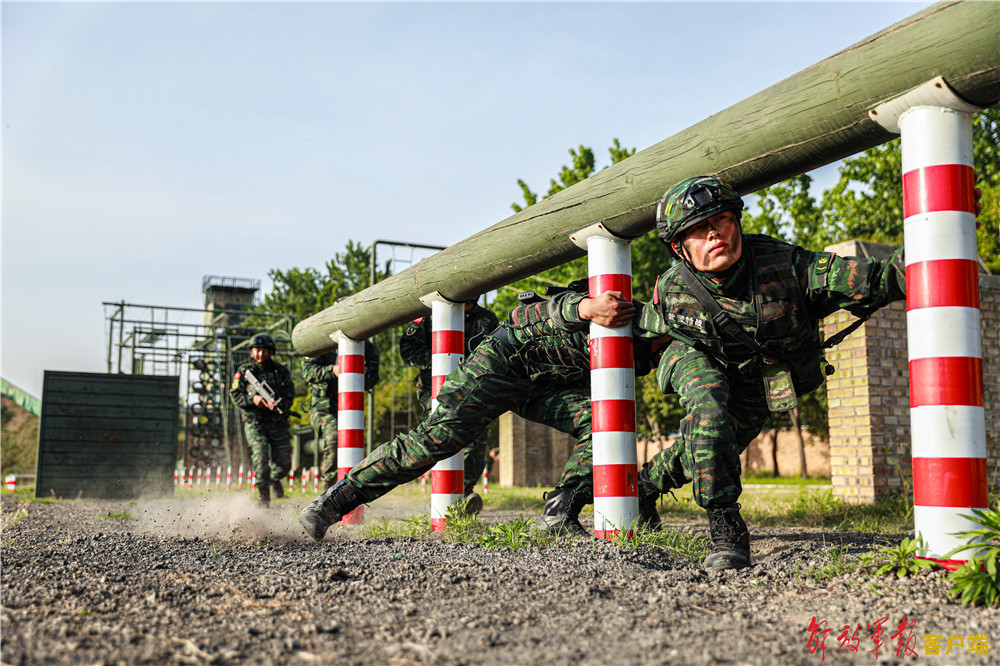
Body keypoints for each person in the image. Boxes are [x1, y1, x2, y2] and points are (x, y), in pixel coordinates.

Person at [557, 175, 981, 572]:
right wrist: (583, 313)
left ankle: (646, 487)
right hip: (694, 357)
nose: (714, 234)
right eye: (699, 229)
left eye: (721, 220)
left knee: (714, 446)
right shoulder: (674, 291)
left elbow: (882, 278)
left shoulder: (790, 267)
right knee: (709, 414)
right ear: (679, 248)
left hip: (761, 374)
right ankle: (725, 527)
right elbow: (640, 322)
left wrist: (943, 230)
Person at [298, 290, 666, 541]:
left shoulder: (666, 344)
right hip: (500, 365)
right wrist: (586, 309)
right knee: (434, 442)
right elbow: (530, 313)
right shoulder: (620, 307)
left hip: (540, 385)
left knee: (604, 422)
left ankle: (559, 512)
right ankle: (331, 504)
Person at [399, 299, 499, 513]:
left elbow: (496, 352)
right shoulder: (429, 316)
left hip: (475, 388)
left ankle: (461, 494)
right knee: (447, 436)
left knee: (478, 445)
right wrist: (442, 362)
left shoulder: (486, 319)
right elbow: (408, 349)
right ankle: (444, 496)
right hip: (437, 388)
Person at [302, 340, 380, 491]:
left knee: (353, 446)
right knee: (334, 439)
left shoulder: (365, 346)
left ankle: (349, 489)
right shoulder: (321, 341)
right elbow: (307, 371)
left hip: (351, 406)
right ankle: (328, 488)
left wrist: (356, 373)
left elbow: (372, 377)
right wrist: (332, 370)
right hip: (324, 408)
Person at [230, 333, 296, 506]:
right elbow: (235, 395)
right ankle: (263, 498)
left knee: (284, 463)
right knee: (260, 459)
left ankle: (275, 479)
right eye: (257, 350)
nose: (261, 354)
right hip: (255, 424)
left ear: (271, 352)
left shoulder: (280, 371)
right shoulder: (244, 372)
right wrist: (253, 400)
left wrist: (280, 405)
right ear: (251, 352)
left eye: (265, 350)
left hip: (277, 423)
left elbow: (290, 394)